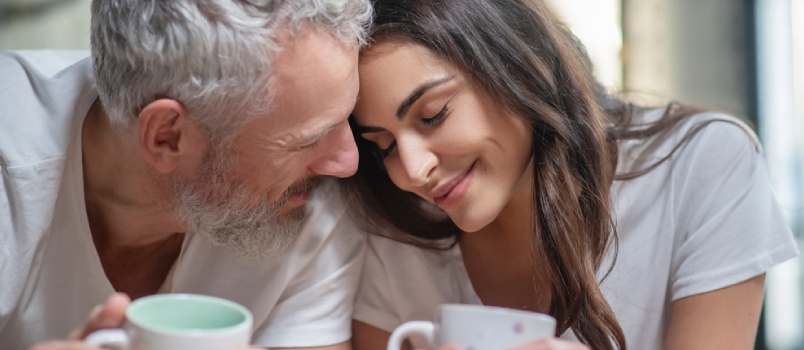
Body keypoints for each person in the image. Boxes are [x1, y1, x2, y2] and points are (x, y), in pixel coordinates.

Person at [341, 0, 800, 349]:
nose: (415, 171)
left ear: (515, 63)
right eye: (384, 146)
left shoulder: (702, 163)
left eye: (434, 115)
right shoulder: (393, 231)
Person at [0, 0, 372, 349]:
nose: (348, 162)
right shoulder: (12, 175)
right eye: (310, 140)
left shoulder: (306, 203)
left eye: (346, 118)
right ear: (167, 136)